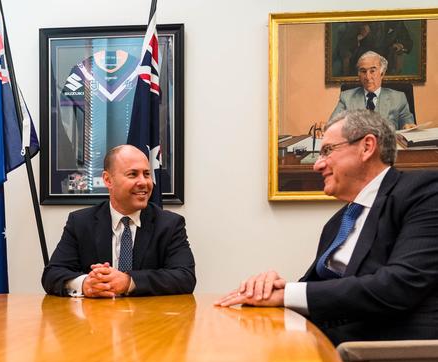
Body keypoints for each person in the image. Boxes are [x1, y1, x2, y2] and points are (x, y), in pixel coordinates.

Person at [216, 109, 438, 345]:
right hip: (325, 342)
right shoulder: (338, 222)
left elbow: (398, 286)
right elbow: (315, 292)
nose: (316, 165)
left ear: (367, 147)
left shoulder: (423, 192)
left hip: (388, 351)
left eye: (327, 151)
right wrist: (271, 288)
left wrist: (288, 294)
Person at [42, 144, 195, 297]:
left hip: (149, 317)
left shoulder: (170, 224)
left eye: (147, 174)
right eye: (133, 174)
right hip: (95, 318)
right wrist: (85, 284)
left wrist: (129, 281)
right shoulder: (81, 222)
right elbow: (51, 275)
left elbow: (185, 277)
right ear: (108, 180)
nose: (144, 182)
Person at [329, 51, 415, 130]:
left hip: (387, 145)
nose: (367, 77)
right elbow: (332, 125)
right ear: (359, 75)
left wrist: (407, 126)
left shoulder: (398, 98)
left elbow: (408, 124)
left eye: (372, 71)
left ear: (382, 73)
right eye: (363, 71)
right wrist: (324, 127)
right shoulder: (346, 97)